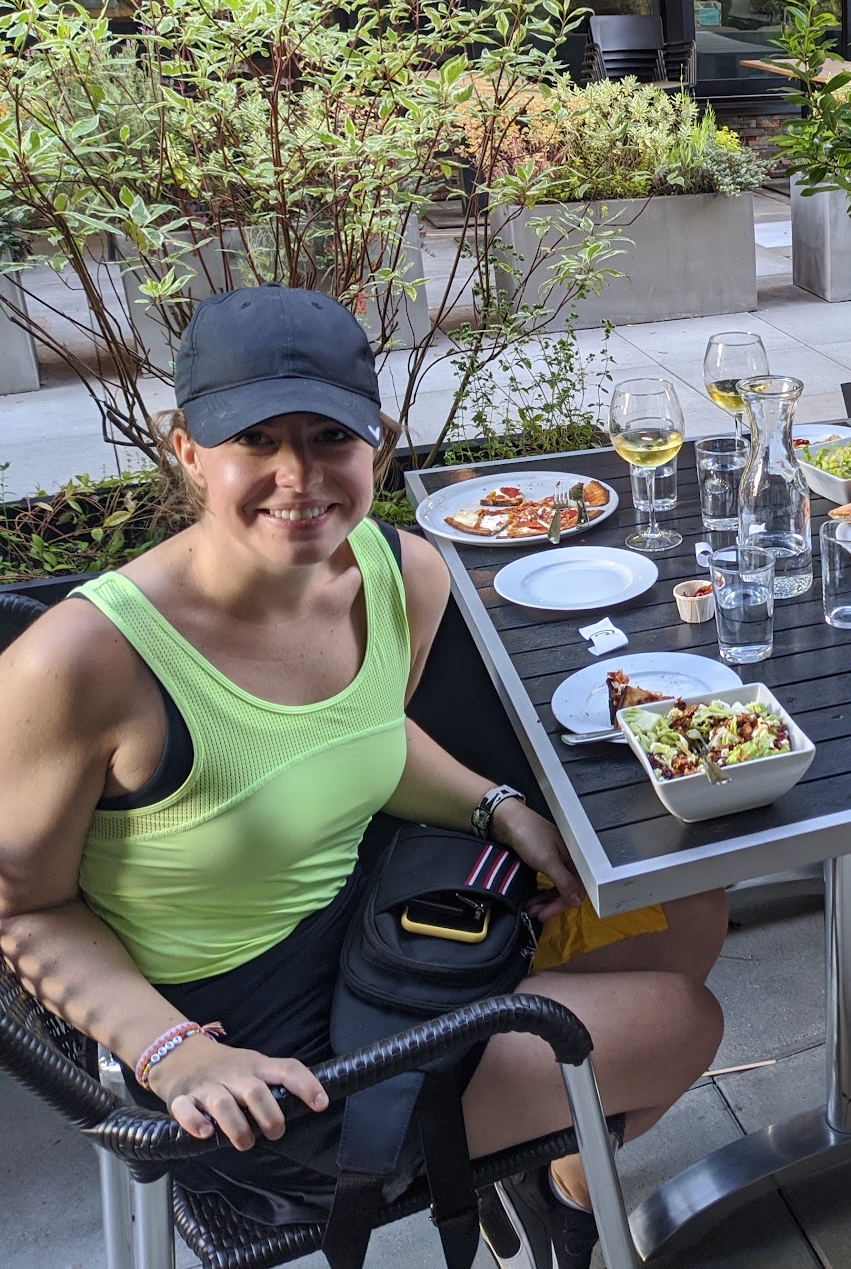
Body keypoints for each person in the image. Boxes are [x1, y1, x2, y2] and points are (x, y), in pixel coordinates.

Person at [0, 287, 726, 1269]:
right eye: (255, 439)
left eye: (330, 437)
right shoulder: (80, 664)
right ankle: (564, 1181)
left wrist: (498, 809)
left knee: (689, 904)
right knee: (683, 1021)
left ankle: (556, 1160)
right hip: (256, 1064)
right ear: (187, 451)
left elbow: (365, 737)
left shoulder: (404, 573)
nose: (298, 477)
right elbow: (24, 912)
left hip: (377, 935)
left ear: (375, 444)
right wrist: (176, 1054)